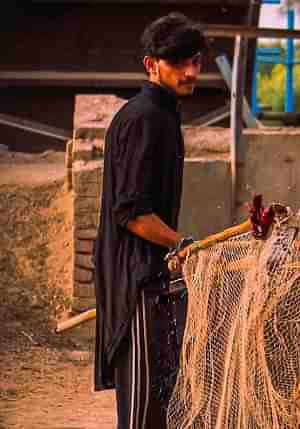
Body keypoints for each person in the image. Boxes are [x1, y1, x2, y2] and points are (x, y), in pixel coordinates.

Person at [92, 13, 208, 429]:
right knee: (142, 415)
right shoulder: (144, 118)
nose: (191, 71)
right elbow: (132, 213)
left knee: (160, 408)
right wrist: (182, 242)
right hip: (137, 282)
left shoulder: (165, 113)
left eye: (195, 60)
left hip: (152, 277)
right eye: (179, 62)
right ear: (151, 65)